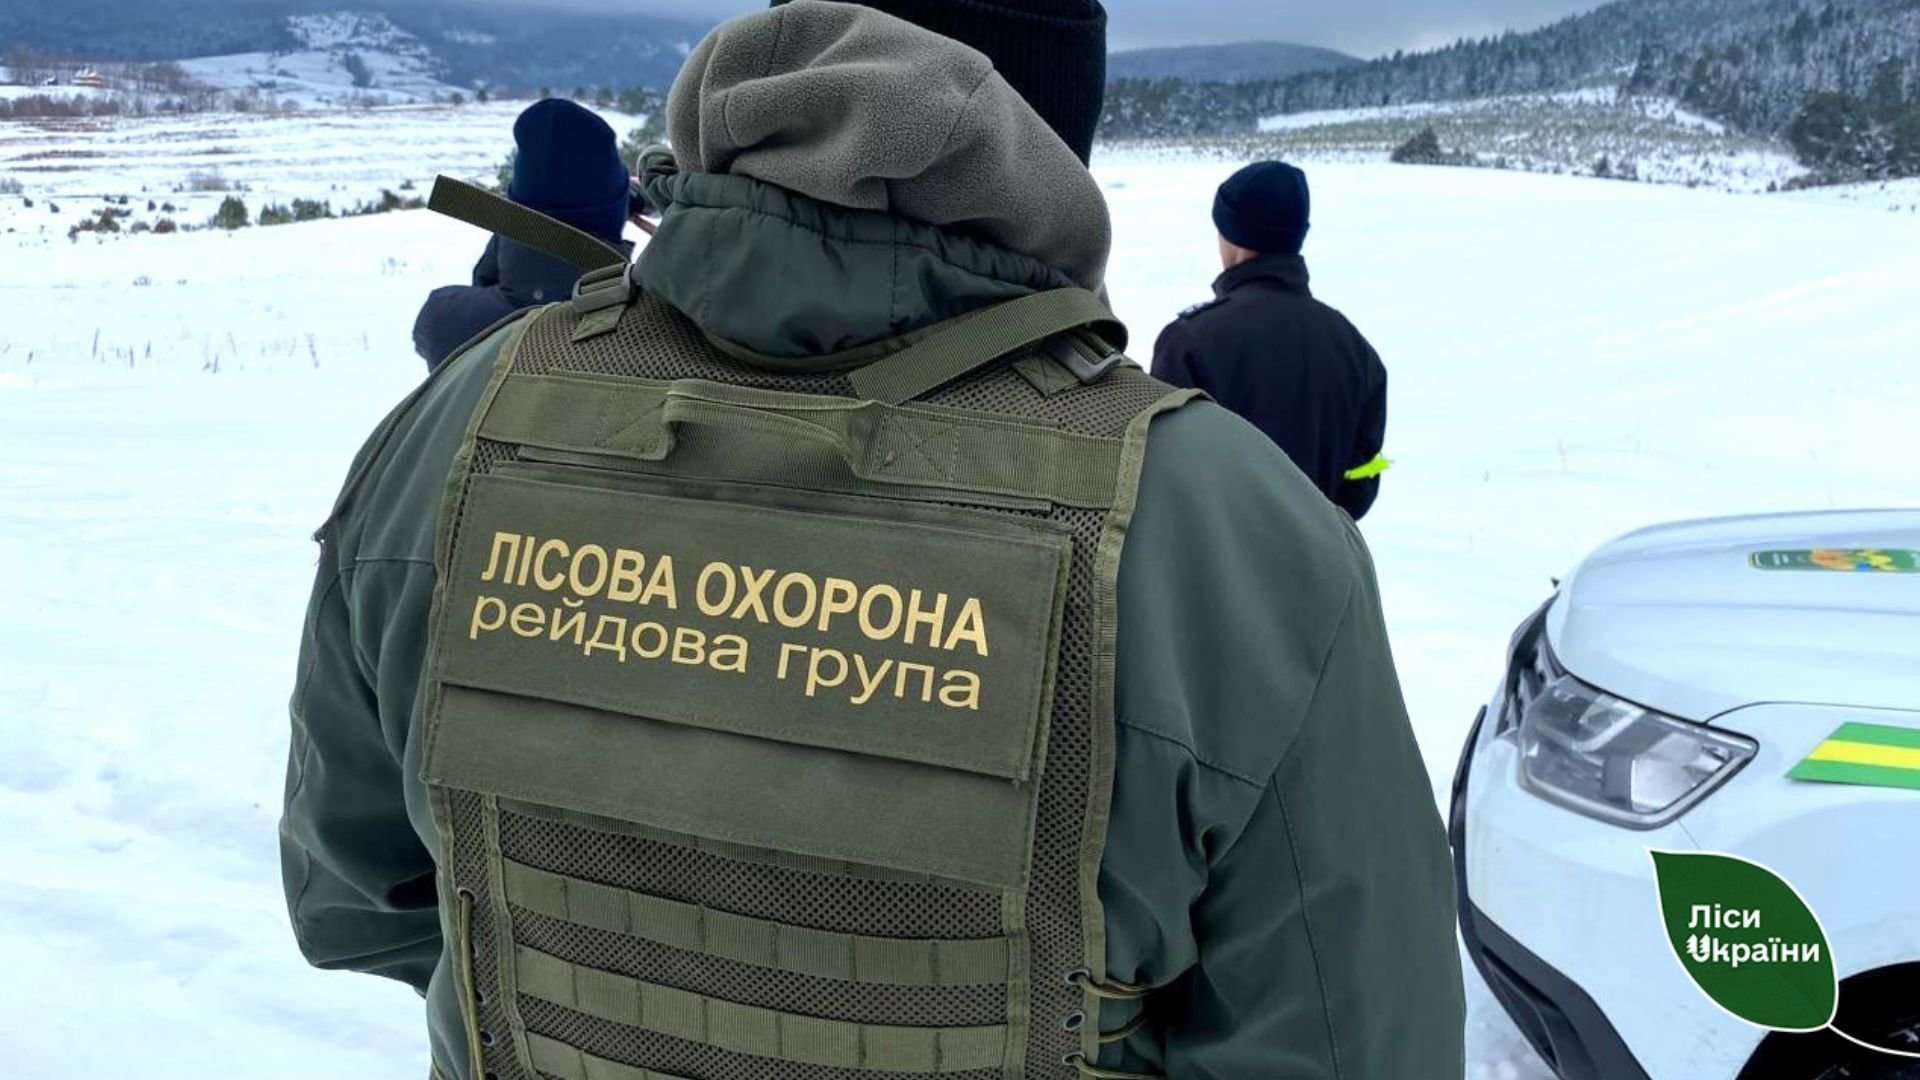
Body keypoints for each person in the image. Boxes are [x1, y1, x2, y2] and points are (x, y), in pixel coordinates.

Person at [281, 4, 1464, 1080]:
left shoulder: (464, 419)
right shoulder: (1226, 530)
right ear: (1053, 145)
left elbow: (355, 903)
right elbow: (1352, 1040)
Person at [1150, 161, 1391, 520]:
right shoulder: (1355, 349)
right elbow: (1362, 479)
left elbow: (1159, 474)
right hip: (1321, 552)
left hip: (1213, 555)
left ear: (1232, 236)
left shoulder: (1189, 343)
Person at [411, 97, 635, 369]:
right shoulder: (644, 324)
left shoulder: (445, 318)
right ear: (614, 216)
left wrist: (513, 224)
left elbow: (488, 284)